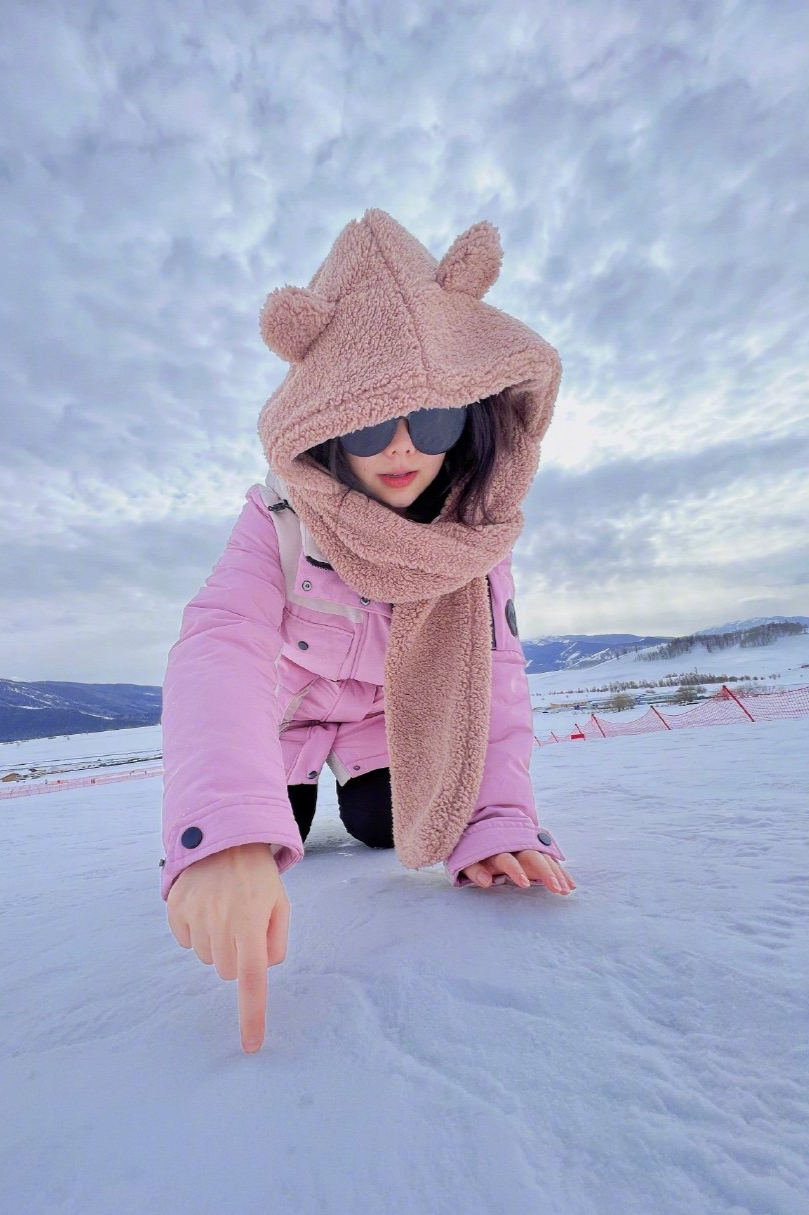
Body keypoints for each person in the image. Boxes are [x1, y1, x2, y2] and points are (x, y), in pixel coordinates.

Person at [161, 208, 576, 1053]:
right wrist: (225, 833)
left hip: (379, 723)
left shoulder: (471, 534)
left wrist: (497, 820)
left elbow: (488, 676)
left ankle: (354, 783)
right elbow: (220, 643)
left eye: (429, 420)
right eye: (364, 421)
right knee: (275, 824)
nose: (400, 448)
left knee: (394, 823)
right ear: (324, 423)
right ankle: (288, 789)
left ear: (468, 415)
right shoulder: (278, 518)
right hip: (281, 713)